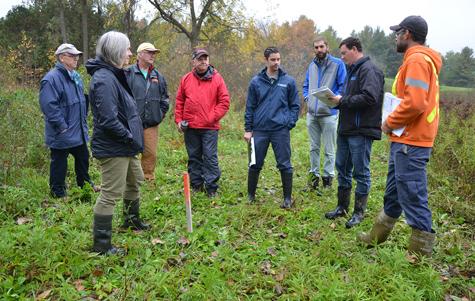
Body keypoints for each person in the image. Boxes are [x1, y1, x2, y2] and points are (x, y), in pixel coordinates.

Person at [358, 16, 442, 257]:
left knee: (413, 195)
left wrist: (389, 123)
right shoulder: (418, 60)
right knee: (394, 193)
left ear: (407, 34)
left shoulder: (416, 60)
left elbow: (415, 103)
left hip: (411, 142)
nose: (395, 36)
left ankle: (420, 256)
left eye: (398, 32)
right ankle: (375, 238)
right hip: (406, 141)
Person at [86, 31, 150, 255]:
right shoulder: (104, 79)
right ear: (115, 52)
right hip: (115, 147)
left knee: (134, 182)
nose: (131, 53)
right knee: (110, 194)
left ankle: (132, 221)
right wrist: (129, 137)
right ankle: (102, 246)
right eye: (127, 49)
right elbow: (107, 120)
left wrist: (131, 140)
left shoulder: (114, 74)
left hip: (125, 146)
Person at [325, 37, 384, 228]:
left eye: (344, 53)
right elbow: (350, 98)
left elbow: (370, 97)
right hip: (346, 128)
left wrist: (342, 100)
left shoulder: (370, 70)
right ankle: (342, 207)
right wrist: (337, 100)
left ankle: (358, 213)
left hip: (361, 130)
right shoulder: (351, 70)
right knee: (342, 168)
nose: (341, 57)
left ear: (355, 49)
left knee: (361, 172)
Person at [39, 43, 99, 198]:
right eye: (72, 56)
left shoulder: (75, 76)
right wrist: (62, 126)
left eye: (77, 55)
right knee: (59, 163)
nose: (76, 58)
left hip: (77, 129)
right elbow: (49, 106)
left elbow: (80, 101)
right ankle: (58, 193)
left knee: (83, 158)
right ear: (61, 57)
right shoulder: (51, 79)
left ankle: (85, 185)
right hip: (62, 132)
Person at [244, 47, 300, 209]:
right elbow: (250, 107)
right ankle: (250, 196)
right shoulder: (256, 82)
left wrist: (289, 122)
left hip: (280, 130)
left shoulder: (288, 81)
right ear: (266, 60)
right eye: (273, 60)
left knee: (284, 164)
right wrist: (248, 129)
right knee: (254, 163)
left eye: (278, 59)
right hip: (259, 130)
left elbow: (295, 106)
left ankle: (287, 199)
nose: (276, 63)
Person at [174, 48, 230, 198]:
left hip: (209, 127)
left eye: (206, 58)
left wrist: (211, 117)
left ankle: (211, 188)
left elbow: (224, 102)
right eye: (200, 59)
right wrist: (179, 121)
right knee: (194, 157)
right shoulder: (186, 79)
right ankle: (196, 186)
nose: (203, 61)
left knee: (210, 157)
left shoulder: (217, 78)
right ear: (193, 61)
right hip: (190, 127)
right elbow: (179, 101)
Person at [302, 37, 346, 190]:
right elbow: (306, 85)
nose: (319, 50)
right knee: (313, 147)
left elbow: (343, 86)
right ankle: (314, 179)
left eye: (321, 47)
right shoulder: (311, 65)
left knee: (329, 148)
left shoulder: (338, 64)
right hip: (312, 114)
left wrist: (337, 98)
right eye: (316, 47)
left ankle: (327, 180)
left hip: (329, 113)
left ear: (327, 47)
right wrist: (307, 97)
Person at [126, 42, 169, 182]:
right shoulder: (128, 73)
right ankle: (131, 181)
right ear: (140, 54)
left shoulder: (158, 76)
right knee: (130, 153)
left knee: (150, 153)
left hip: (151, 124)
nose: (152, 55)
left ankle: (148, 180)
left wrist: (159, 115)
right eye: (149, 52)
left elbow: (165, 99)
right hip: (131, 122)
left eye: (154, 53)